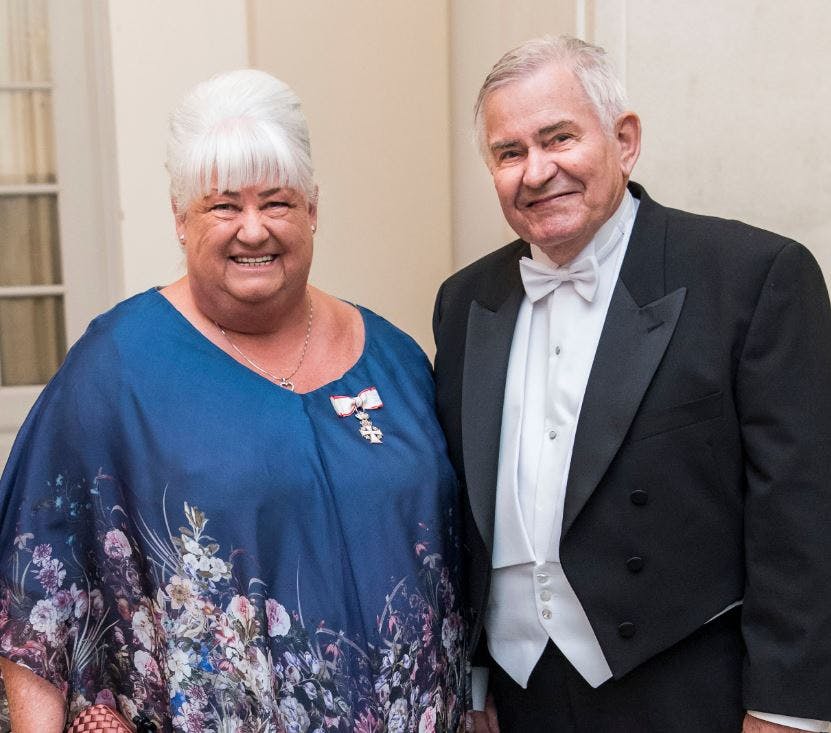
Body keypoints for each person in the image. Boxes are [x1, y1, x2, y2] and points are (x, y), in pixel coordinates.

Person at [0, 69, 466, 732]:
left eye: (276, 202)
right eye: (223, 205)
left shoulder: (396, 359)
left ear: (312, 209)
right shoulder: (118, 367)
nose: (253, 230)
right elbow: (36, 590)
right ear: (180, 219)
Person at [432, 35, 831, 733]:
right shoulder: (464, 301)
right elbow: (464, 511)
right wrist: (472, 681)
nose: (536, 171)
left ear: (624, 139)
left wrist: (786, 709)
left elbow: (802, 513)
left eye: (558, 138)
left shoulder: (751, 277)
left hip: (694, 694)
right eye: (509, 152)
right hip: (520, 698)